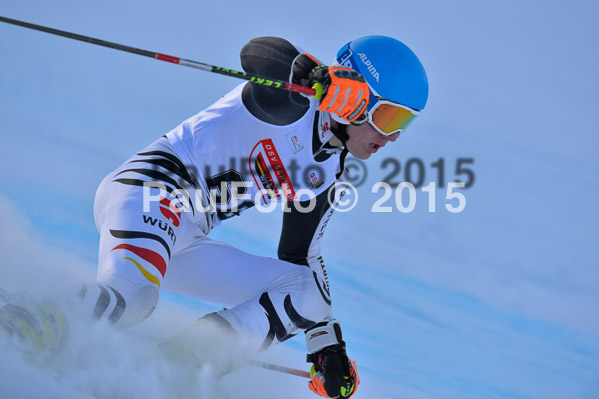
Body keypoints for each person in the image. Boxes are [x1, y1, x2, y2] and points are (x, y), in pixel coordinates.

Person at [2, 35, 428, 398]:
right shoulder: (294, 100)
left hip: (186, 234)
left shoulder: (327, 175)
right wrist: (311, 78)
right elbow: (260, 54)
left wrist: (325, 345)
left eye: (403, 124)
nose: (391, 137)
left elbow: (299, 257)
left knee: (309, 293)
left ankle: (180, 364)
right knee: (134, 299)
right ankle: (24, 318)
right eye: (389, 116)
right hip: (153, 191)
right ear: (357, 98)